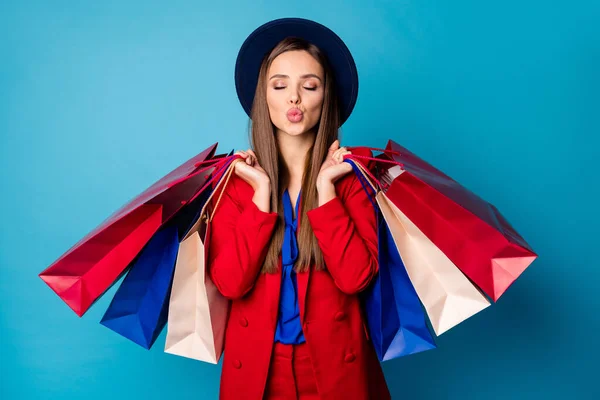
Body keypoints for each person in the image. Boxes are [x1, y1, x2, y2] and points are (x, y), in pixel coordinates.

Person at [207, 18, 391, 400]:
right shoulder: (236, 181)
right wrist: (261, 193)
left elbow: (356, 278)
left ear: (326, 98)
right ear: (264, 97)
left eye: (309, 86)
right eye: (280, 86)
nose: (294, 98)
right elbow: (230, 283)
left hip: (335, 370)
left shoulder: (350, 178)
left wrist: (326, 191)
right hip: (257, 371)